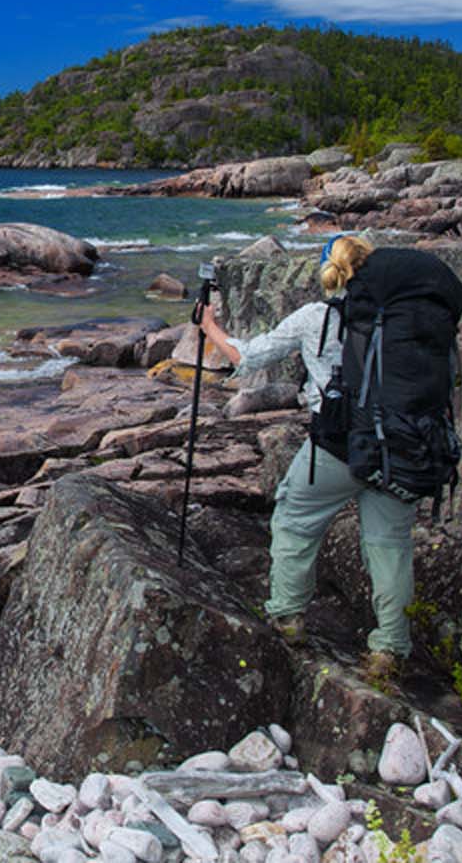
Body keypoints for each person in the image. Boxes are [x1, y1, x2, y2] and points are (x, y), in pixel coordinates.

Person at [196, 235, 413, 686]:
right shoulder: (405, 317)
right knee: (390, 547)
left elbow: (251, 355)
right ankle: (389, 649)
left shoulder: (317, 317)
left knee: (295, 520)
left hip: (336, 445)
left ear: (326, 272)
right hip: (399, 448)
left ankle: (288, 617)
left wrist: (210, 329)